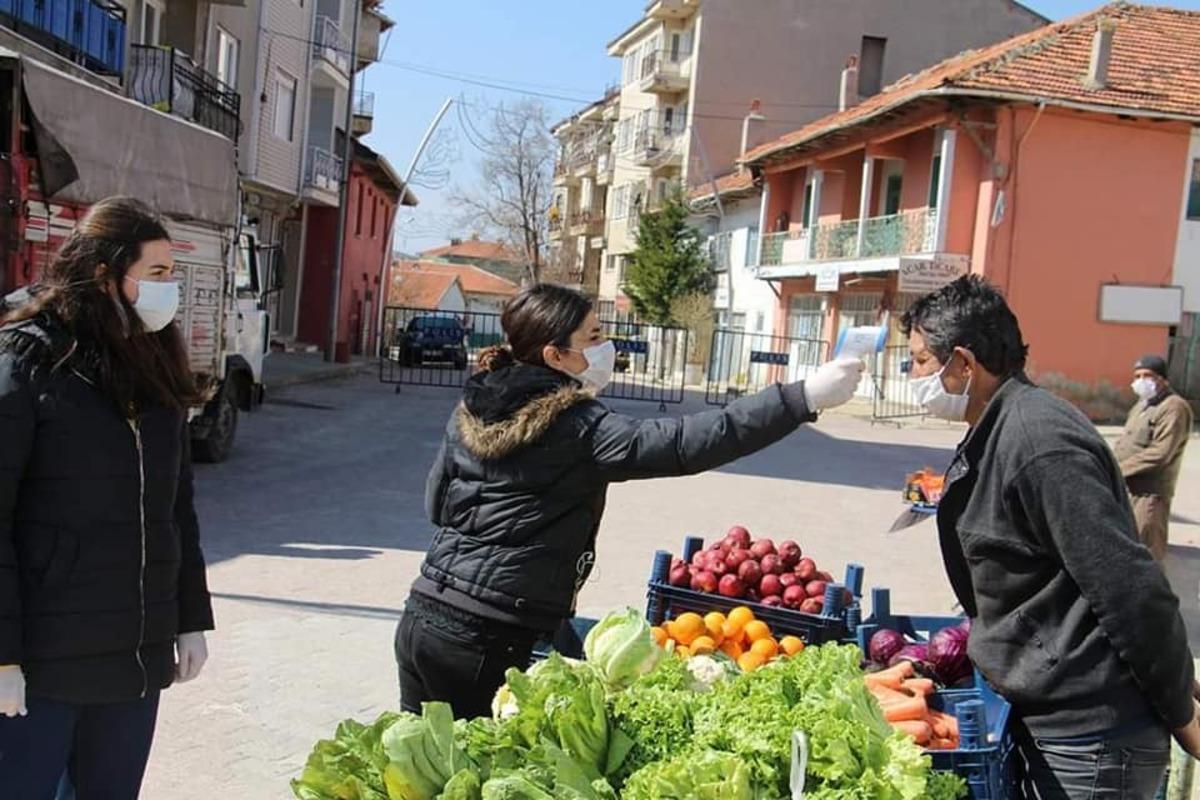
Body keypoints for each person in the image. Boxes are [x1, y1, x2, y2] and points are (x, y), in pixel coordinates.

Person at [396, 283, 864, 719]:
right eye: (594, 337)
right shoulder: (579, 426)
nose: (607, 346)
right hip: (487, 638)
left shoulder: (472, 408)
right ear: (555, 355)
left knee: (417, 765)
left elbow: (437, 505)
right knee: (477, 769)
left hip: (422, 615)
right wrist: (799, 399)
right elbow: (685, 442)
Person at [902, 275, 1198, 799]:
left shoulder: (1041, 443)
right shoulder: (997, 425)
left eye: (921, 361)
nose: (913, 375)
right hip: (1056, 719)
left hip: (1092, 739)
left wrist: (1181, 709)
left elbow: (1130, 589)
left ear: (964, 364)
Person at [0, 197, 214, 798]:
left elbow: (175, 507)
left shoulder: (154, 357)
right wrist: (3, 657)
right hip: (42, 663)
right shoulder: (30, 361)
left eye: (172, 272)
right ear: (104, 274)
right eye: (157, 272)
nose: (170, 288)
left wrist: (189, 620)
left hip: (132, 659)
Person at [1113, 354, 1194, 562]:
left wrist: (1119, 469)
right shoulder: (1142, 405)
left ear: (1163, 379)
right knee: (1129, 547)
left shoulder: (1173, 407)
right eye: (1137, 376)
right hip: (1130, 488)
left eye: (1147, 375)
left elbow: (1161, 453)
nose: (1141, 381)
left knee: (1147, 551)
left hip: (1150, 493)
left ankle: (1154, 584)